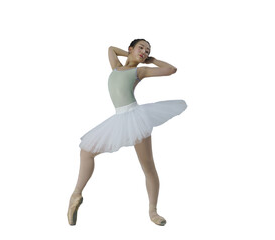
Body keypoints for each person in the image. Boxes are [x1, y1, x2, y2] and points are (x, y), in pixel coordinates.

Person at [67, 39, 187, 226]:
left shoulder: (140, 71)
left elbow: (171, 69)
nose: (144, 52)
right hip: (118, 118)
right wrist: (130, 54)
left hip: (135, 117)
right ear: (130, 49)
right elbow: (111, 49)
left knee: (148, 167)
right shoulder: (115, 67)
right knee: (86, 151)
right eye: (142, 48)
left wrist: (151, 60)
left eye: (147, 51)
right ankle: (75, 195)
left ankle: (153, 211)